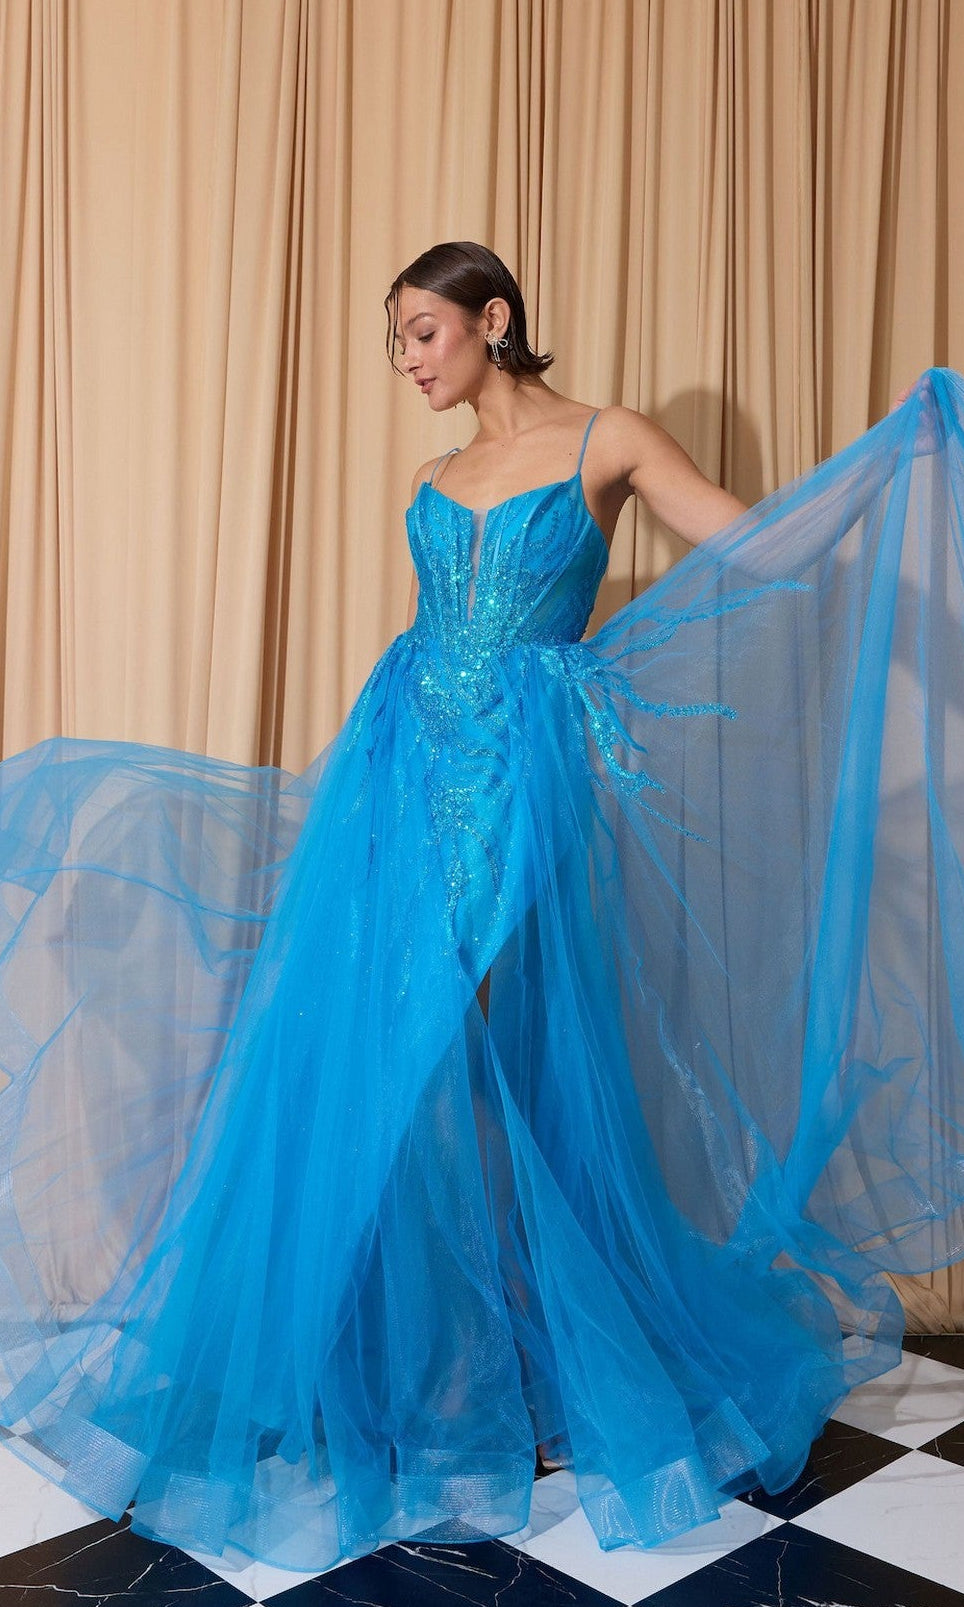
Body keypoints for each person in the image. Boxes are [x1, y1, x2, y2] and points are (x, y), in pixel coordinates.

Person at [0, 240, 962, 1576]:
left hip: (528, 782)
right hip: (402, 776)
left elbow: (750, 547)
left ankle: (531, 1362)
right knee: (393, 1061)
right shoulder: (434, 478)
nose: (409, 363)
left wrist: (882, 474)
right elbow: (434, 636)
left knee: (500, 1066)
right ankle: (428, 1358)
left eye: (421, 334)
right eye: (397, 341)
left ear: (493, 319)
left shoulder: (608, 436)